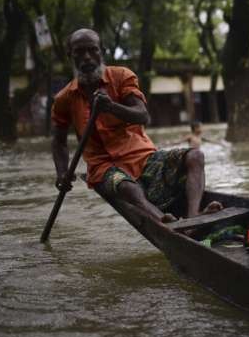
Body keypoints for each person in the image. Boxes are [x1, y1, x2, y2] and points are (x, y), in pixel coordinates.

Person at [51, 28, 221, 223]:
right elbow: (59, 141)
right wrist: (62, 173)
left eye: (92, 50)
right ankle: (165, 222)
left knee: (195, 155)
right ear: (70, 55)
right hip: (103, 167)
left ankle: (193, 217)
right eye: (79, 52)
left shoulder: (122, 76)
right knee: (127, 186)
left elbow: (142, 116)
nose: (87, 57)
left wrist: (111, 107)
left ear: (101, 51)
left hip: (142, 157)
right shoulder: (64, 98)